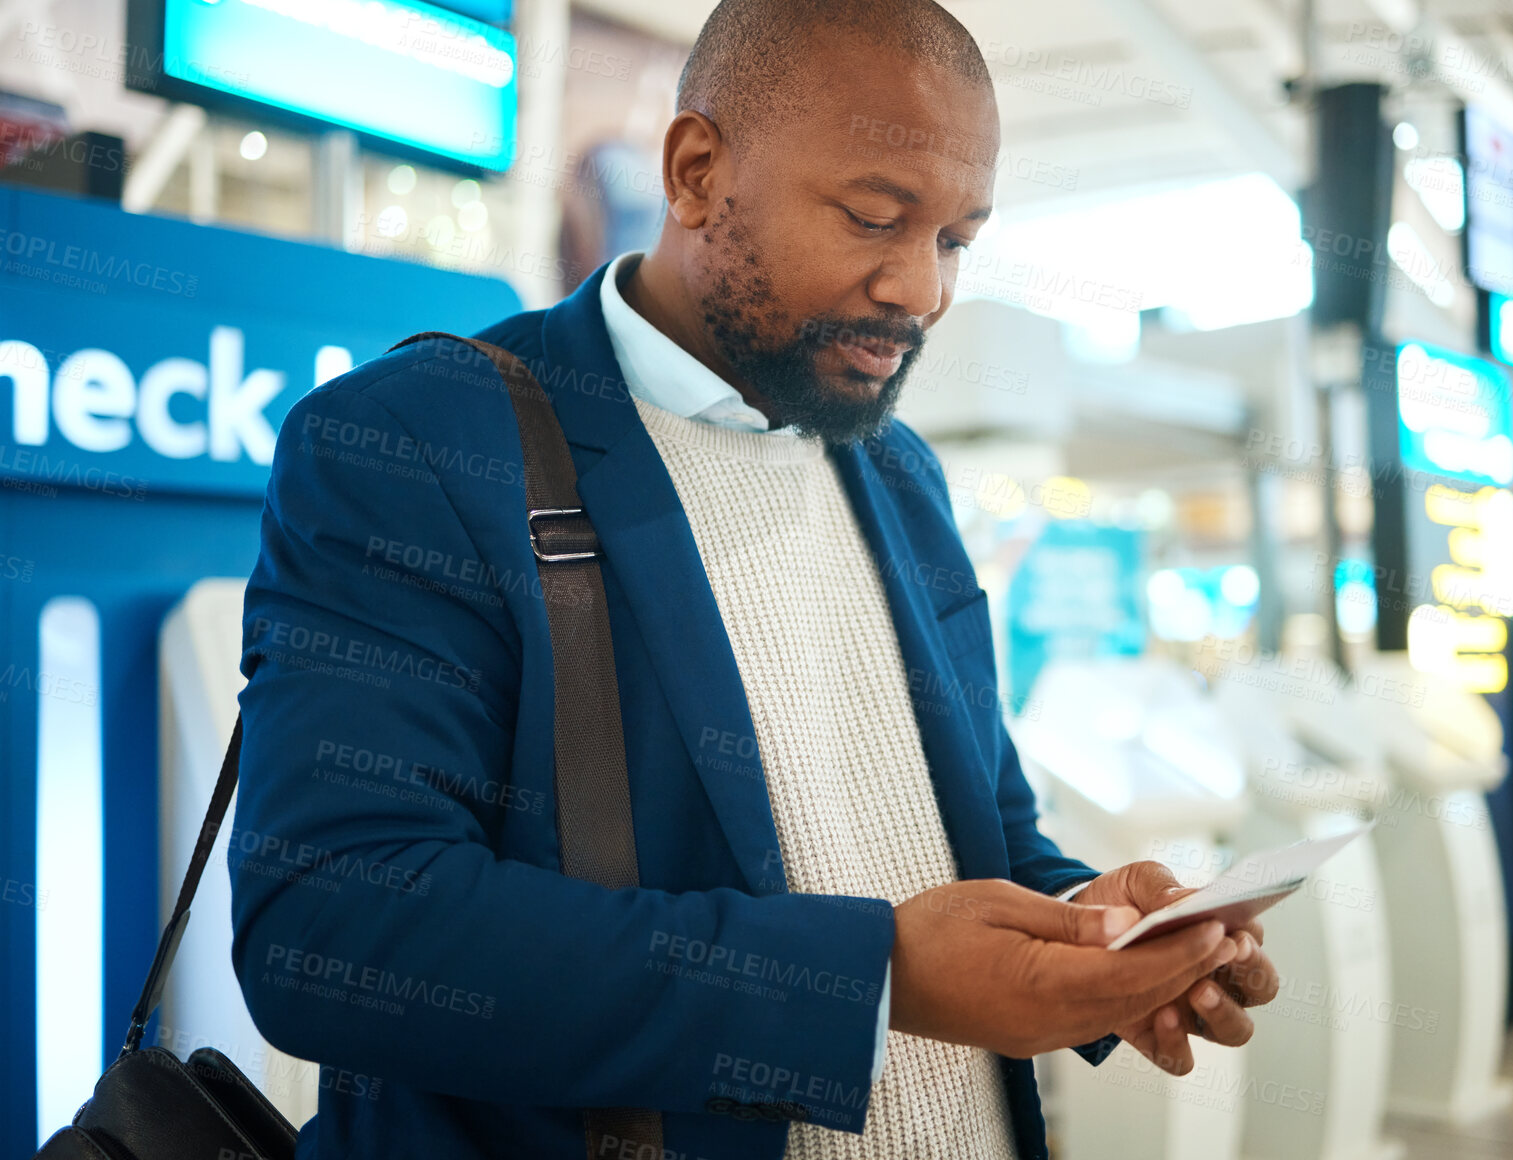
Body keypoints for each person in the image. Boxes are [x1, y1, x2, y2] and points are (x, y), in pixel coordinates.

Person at [229, 1, 1279, 1156]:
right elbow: (335, 923)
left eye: (956, 238)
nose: (920, 290)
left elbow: (977, 843)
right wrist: (873, 979)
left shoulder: (896, 469)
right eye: (876, 218)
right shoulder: (420, 442)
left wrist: (1093, 931)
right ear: (694, 171)